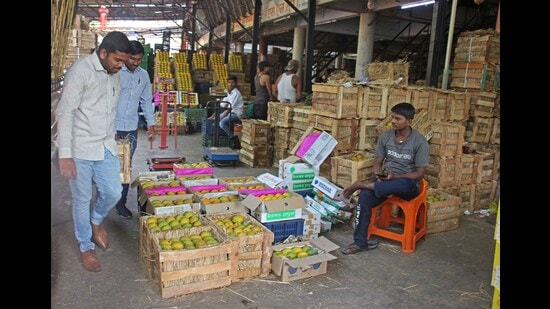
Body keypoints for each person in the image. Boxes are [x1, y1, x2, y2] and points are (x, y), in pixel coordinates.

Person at [55, 31, 131, 272]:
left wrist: (114, 131)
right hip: (80, 146)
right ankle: (85, 246)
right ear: (103, 52)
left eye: (124, 62)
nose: (121, 66)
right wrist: (65, 153)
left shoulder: (114, 74)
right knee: (81, 198)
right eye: (118, 60)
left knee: (113, 191)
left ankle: (96, 220)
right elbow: (65, 113)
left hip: (105, 143)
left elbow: (108, 108)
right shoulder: (80, 72)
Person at [340, 102, 429, 255]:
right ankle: (360, 242)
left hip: (408, 184)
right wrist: (379, 176)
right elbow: (377, 162)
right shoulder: (386, 137)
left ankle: (361, 184)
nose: (393, 121)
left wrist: (396, 177)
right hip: (386, 181)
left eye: (398, 118)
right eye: (392, 117)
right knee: (365, 196)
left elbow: (420, 173)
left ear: (409, 121)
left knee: (402, 184)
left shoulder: (419, 142)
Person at [114, 40, 156, 219]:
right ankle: (106, 197)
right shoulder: (115, 73)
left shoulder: (143, 75)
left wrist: (151, 124)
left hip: (130, 128)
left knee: (125, 167)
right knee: (108, 166)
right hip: (111, 127)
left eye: (139, 59)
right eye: (132, 59)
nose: (135, 62)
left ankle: (120, 203)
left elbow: (146, 101)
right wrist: (109, 128)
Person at [207, 75, 243, 145]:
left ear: (235, 84)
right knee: (214, 119)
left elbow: (230, 108)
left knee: (222, 123)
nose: (231, 84)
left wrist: (220, 118)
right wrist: (212, 116)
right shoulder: (229, 93)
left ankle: (233, 138)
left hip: (236, 114)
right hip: (229, 113)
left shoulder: (236, 93)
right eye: (229, 82)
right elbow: (221, 106)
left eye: (232, 82)